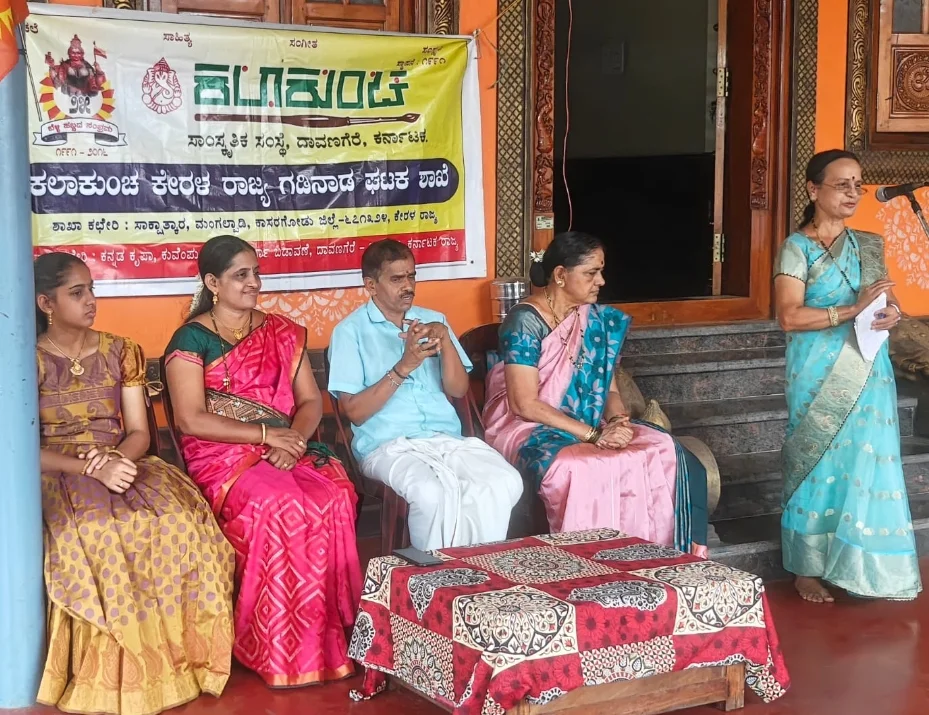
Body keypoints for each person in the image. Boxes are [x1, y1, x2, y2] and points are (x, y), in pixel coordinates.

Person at [33, 253, 235, 715]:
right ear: (46, 303)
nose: (91, 300)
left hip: (120, 458)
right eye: (77, 293)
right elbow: (19, 447)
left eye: (92, 289)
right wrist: (90, 469)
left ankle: (183, 662)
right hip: (56, 470)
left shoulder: (121, 350)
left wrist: (116, 459)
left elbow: (140, 432)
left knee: (179, 521)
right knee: (100, 532)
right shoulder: (26, 358)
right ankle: (113, 674)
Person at [163, 235, 361, 687]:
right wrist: (267, 436)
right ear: (212, 283)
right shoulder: (191, 338)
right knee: (277, 504)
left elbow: (309, 402)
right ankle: (270, 643)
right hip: (221, 455)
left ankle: (326, 637)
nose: (254, 282)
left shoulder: (283, 332)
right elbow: (191, 419)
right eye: (241, 275)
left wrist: (294, 442)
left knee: (333, 495)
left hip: (287, 445)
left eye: (256, 272)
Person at [482, 231, 709, 556]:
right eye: (591, 273)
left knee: (666, 449)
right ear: (560, 275)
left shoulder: (594, 321)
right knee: (581, 466)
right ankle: (586, 561)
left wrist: (618, 422)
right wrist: (594, 435)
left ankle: (656, 557)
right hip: (529, 427)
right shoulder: (525, 322)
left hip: (588, 424)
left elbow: (609, 388)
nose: (601, 281)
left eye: (601, 271)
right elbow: (524, 404)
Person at [775, 149, 922, 603]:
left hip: (869, 368)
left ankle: (859, 563)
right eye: (842, 185)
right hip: (817, 372)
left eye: (858, 184)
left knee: (867, 460)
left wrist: (891, 312)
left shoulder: (869, 244)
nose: (853, 193)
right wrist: (851, 309)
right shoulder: (796, 247)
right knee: (818, 461)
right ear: (813, 189)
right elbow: (788, 316)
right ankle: (806, 567)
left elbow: (888, 301)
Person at [327, 239, 523, 550]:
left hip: (446, 439)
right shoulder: (350, 332)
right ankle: (431, 573)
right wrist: (404, 366)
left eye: (411, 276)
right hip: (387, 446)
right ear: (371, 285)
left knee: (505, 481)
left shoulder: (435, 321)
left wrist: (445, 342)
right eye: (396, 279)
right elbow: (354, 412)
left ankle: (475, 564)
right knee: (432, 494)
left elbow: (458, 389)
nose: (407, 286)